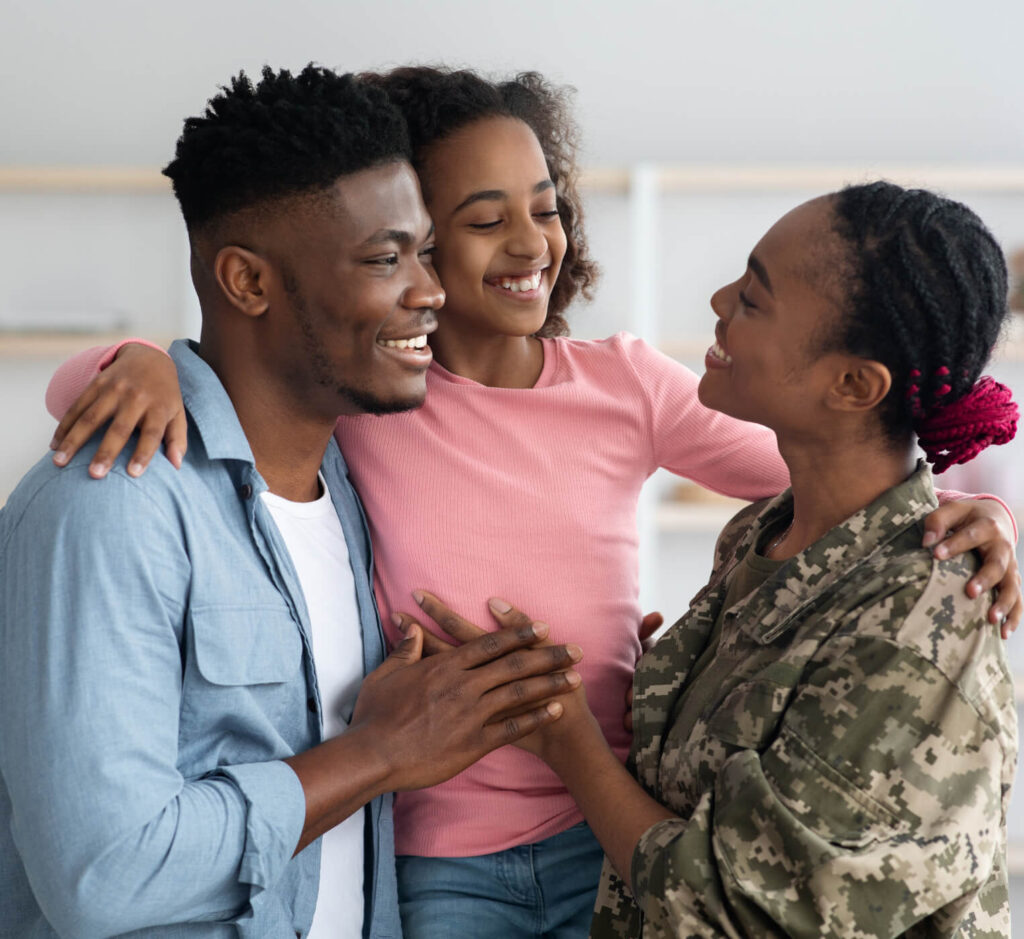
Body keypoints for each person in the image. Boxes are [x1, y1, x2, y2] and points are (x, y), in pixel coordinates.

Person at [43, 70, 1022, 938]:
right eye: (475, 221)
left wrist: (988, 517)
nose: (527, 241)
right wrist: (137, 363)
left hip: (602, 828)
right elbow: (238, 378)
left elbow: (836, 461)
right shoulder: (373, 400)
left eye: (545, 207)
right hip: (437, 844)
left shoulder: (625, 385)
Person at [0, 66, 584, 939]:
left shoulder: (351, 484)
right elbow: (104, 874)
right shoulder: (110, 506)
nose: (429, 290)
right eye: (387, 259)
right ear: (246, 282)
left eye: (425, 251)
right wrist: (378, 753)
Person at [403, 181, 1021, 936]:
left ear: (854, 384)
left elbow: (738, 907)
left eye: (755, 299)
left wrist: (570, 738)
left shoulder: (919, 622)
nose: (720, 299)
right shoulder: (763, 532)